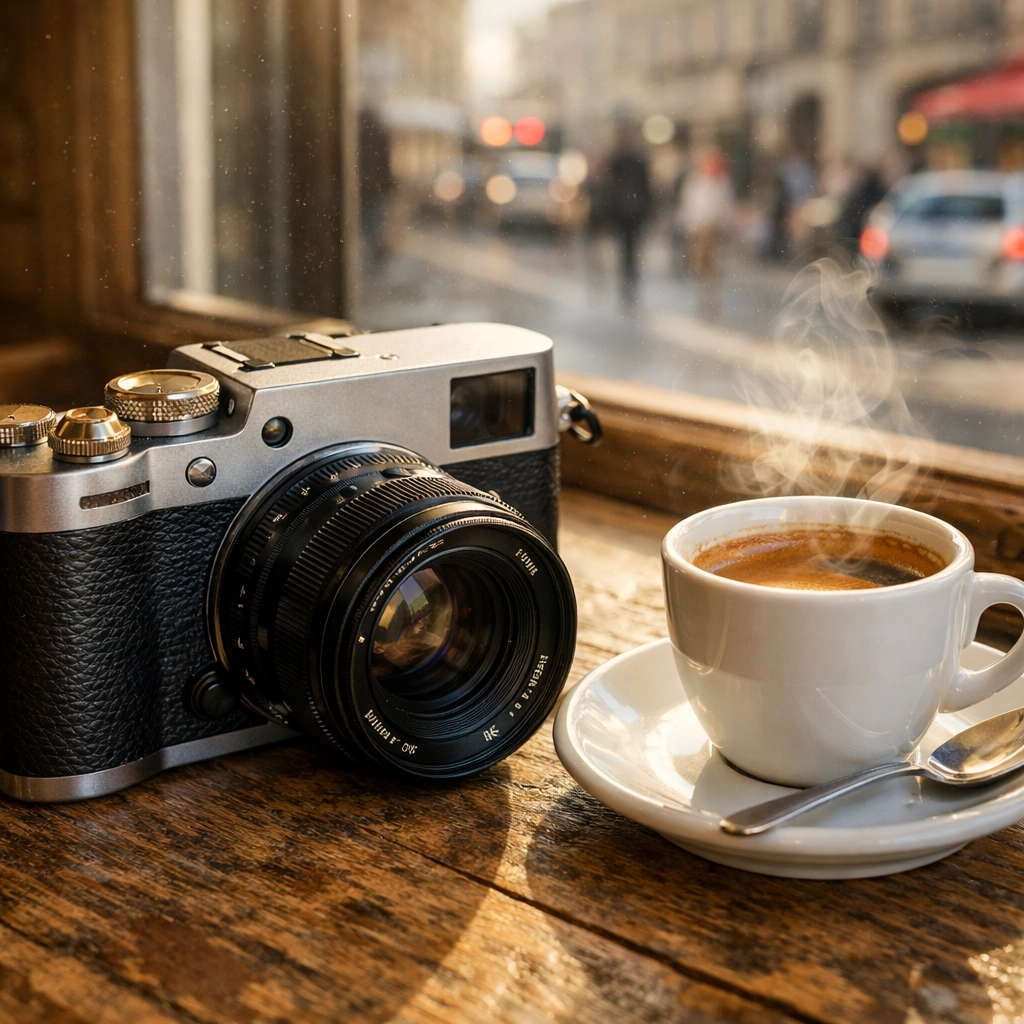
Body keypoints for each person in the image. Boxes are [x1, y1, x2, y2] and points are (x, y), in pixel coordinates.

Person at [606, 122, 652, 303]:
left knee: (629, 245)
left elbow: (645, 186)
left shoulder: (630, 160)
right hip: (626, 210)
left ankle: (629, 273)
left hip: (631, 210)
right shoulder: (621, 160)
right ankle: (629, 273)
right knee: (628, 245)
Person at [677, 147, 735, 281]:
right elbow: (690, 206)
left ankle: (710, 279)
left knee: (713, 257)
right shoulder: (695, 183)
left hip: (715, 225)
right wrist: (690, 225)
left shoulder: (723, 184)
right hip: (700, 225)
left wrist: (727, 224)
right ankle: (703, 277)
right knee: (700, 258)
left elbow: (727, 207)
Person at [359, 108, 396, 272]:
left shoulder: (356, 134)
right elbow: (385, 164)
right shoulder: (379, 135)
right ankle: (374, 259)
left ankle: (372, 259)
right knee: (373, 225)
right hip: (373, 189)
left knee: (368, 225)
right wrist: (388, 187)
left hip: (363, 190)